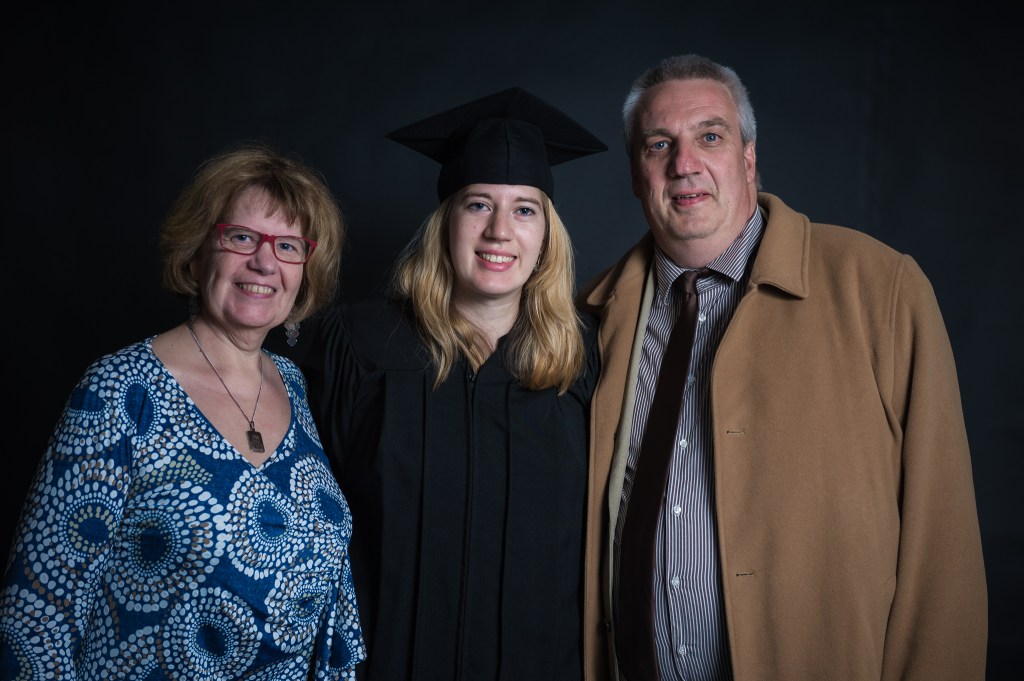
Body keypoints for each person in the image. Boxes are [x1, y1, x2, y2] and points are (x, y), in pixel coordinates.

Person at [577, 54, 987, 680]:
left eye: (709, 137)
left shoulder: (879, 289)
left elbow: (943, 542)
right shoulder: (591, 317)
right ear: (637, 174)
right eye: (659, 145)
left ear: (748, 157)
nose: (684, 164)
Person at [0, 142, 366, 679]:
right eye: (241, 237)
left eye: (288, 246)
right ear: (196, 253)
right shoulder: (122, 389)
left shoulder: (294, 384)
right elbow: (36, 615)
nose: (265, 262)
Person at [302, 87, 606, 681]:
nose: (499, 231)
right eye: (478, 205)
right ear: (446, 222)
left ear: (548, 234)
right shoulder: (360, 346)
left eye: (525, 209)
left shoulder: (587, 359)